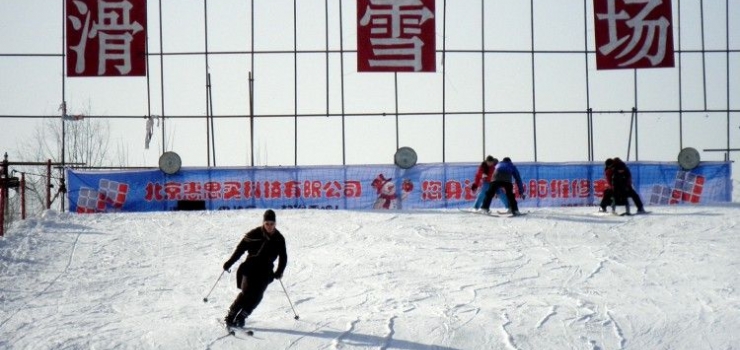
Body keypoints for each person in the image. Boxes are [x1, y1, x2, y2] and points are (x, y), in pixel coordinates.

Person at [222, 209, 288, 328]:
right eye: (267, 223)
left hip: (266, 271)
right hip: (250, 267)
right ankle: (231, 315)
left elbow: (283, 257)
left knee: (257, 295)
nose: (269, 226)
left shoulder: (279, 238)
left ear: (275, 224)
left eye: (272, 224)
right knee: (246, 293)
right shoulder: (254, 234)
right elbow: (240, 249)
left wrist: (279, 271)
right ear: (263, 223)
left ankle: (242, 316)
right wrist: (229, 262)